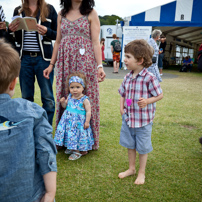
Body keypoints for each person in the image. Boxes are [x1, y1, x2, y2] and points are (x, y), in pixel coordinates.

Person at [43, 0, 106, 150]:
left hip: (86, 62)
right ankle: (64, 140)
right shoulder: (61, 14)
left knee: (86, 96)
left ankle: (86, 141)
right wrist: (51, 64)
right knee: (65, 95)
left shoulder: (91, 13)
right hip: (65, 62)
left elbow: (96, 42)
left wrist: (99, 66)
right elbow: (57, 42)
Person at [0, 39, 57, 202]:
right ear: (13, 83)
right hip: (30, 195)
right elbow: (46, 152)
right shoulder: (33, 112)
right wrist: (50, 193)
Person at [118, 39, 163, 184]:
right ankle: (131, 169)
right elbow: (126, 95)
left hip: (143, 122)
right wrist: (124, 107)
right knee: (130, 145)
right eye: (125, 56)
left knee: (142, 148)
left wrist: (147, 101)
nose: (124, 59)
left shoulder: (149, 78)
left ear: (140, 60)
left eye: (128, 57)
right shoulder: (127, 77)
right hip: (129, 119)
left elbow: (159, 95)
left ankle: (141, 172)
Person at [8, 0, 57, 125]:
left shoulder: (50, 9)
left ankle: (45, 130)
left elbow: (58, 35)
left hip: (44, 59)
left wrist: (47, 32)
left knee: (48, 99)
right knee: (26, 98)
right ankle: (29, 129)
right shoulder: (18, 10)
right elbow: (15, 38)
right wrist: (10, 30)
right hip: (24, 59)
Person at [54, 72, 94, 160]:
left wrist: (87, 121)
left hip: (78, 123)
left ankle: (77, 152)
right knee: (70, 134)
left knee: (77, 136)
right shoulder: (70, 96)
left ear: (83, 87)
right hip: (68, 121)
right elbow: (66, 107)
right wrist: (62, 103)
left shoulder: (84, 99)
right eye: (72, 87)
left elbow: (88, 111)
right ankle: (71, 148)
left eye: (78, 87)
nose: (74, 90)